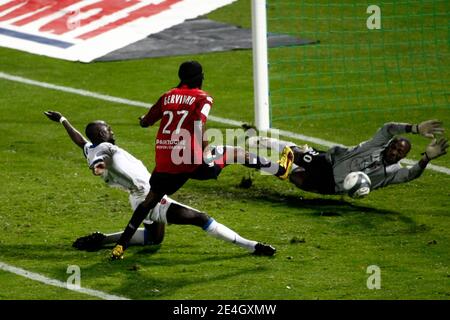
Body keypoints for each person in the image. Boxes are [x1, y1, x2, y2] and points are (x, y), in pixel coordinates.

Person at [111, 61, 292, 259]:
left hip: (165, 164)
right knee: (235, 152)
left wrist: (143, 120)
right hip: (193, 163)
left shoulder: (167, 96)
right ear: (199, 77)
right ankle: (279, 169)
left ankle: (120, 246)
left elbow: (146, 122)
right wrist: (205, 150)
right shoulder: (203, 98)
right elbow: (199, 123)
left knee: (148, 203)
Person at [44, 110, 276, 256]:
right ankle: (251, 246)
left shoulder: (90, 147)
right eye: (108, 129)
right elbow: (99, 161)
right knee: (201, 218)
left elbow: (80, 141)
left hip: (139, 197)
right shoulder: (104, 148)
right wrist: (98, 168)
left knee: (154, 239)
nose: (112, 131)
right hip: (149, 196)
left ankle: (104, 239)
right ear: (101, 135)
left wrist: (63, 120)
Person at [248, 120, 448, 195]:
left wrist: (426, 158)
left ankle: (257, 161)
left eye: (400, 152)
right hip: (328, 161)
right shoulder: (376, 145)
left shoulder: (392, 173)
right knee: (297, 154)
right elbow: (388, 128)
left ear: (403, 156)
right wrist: (414, 129)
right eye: (394, 147)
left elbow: (411, 174)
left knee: (293, 175)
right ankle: (268, 142)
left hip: (332, 186)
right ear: (389, 145)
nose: (395, 152)